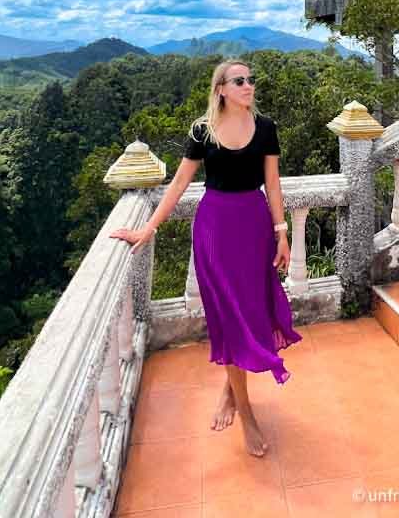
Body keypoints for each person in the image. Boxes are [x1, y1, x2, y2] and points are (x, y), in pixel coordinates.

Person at [109, 58, 302, 457]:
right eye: (240, 81)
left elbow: (272, 184)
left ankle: (230, 393)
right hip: (215, 231)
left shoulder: (266, 129)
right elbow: (180, 182)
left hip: (254, 226)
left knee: (251, 314)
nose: (249, 85)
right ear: (221, 89)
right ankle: (246, 415)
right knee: (230, 318)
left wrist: (282, 234)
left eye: (250, 80)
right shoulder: (203, 131)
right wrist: (149, 228)